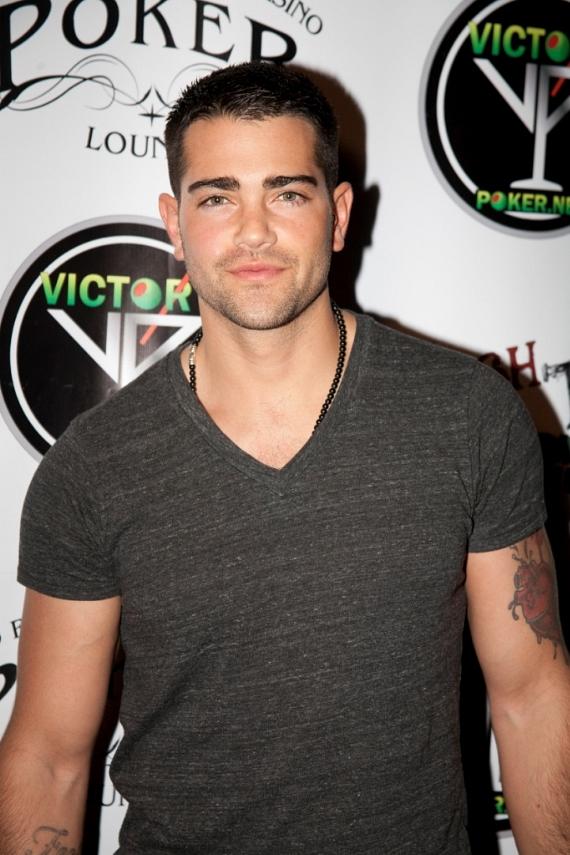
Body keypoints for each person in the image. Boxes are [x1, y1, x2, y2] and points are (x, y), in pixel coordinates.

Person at [0, 62, 568, 855]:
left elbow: (533, 696)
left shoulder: (466, 415)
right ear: (174, 222)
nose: (254, 231)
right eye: (217, 197)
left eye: (288, 193)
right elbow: (49, 755)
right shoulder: (93, 467)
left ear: (339, 215)